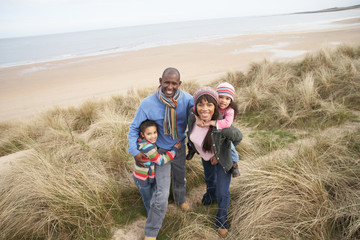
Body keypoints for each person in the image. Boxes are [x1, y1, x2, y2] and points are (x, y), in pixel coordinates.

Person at [128, 67, 194, 240]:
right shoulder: (147, 103)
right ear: (160, 81)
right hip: (160, 153)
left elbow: (200, 114)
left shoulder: (187, 100)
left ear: (179, 84)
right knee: (162, 193)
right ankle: (151, 232)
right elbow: (134, 128)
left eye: (174, 83)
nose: (170, 86)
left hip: (179, 147)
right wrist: (134, 151)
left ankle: (180, 200)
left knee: (180, 177)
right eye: (167, 82)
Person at [186, 86, 242, 238]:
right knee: (210, 180)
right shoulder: (192, 117)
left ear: (215, 106)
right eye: (201, 104)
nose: (205, 109)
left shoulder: (220, 124)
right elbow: (190, 134)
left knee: (222, 192)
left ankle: (221, 220)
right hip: (205, 157)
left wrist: (220, 154)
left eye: (209, 105)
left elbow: (238, 137)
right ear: (195, 106)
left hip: (222, 160)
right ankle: (209, 198)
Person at [186, 82, 240, 177]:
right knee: (190, 134)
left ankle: (234, 163)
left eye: (227, 98)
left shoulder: (229, 110)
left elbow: (227, 124)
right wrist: (197, 118)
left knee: (230, 146)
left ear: (231, 100)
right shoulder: (212, 105)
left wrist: (211, 123)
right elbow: (193, 110)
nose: (223, 101)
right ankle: (191, 147)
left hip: (222, 130)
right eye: (221, 97)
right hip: (207, 144)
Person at [133, 119, 181, 214]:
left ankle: (158, 208)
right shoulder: (147, 147)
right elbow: (160, 160)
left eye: (155, 132)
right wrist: (174, 150)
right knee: (148, 198)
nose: (153, 136)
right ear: (142, 134)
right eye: (149, 134)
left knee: (155, 192)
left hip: (149, 175)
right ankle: (151, 214)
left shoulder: (144, 141)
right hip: (142, 179)